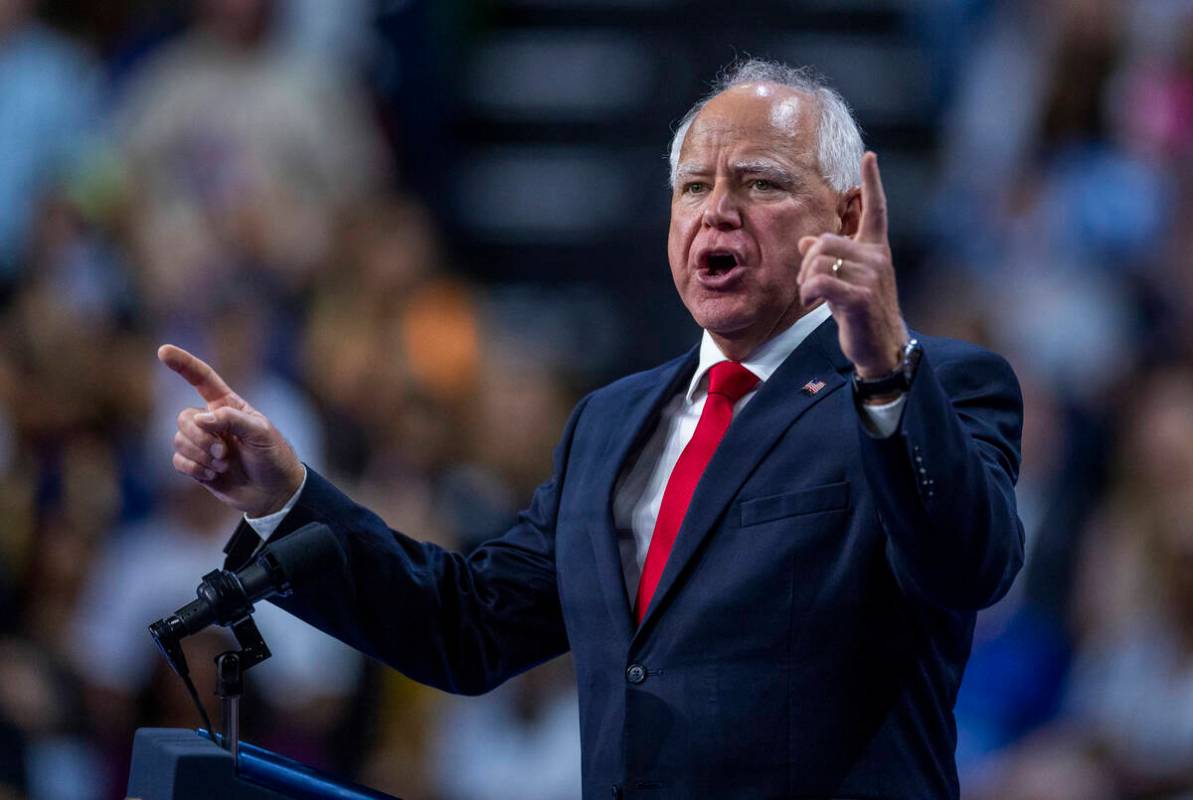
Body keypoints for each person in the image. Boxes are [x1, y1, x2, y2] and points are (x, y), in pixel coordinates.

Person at [159, 59, 1024, 799]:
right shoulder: (609, 424)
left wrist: (881, 368)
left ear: (842, 218)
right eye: (692, 187)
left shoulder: (932, 386)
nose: (715, 211)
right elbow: (468, 628)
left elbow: (964, 565)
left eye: (758, 182)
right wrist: (286, 499)